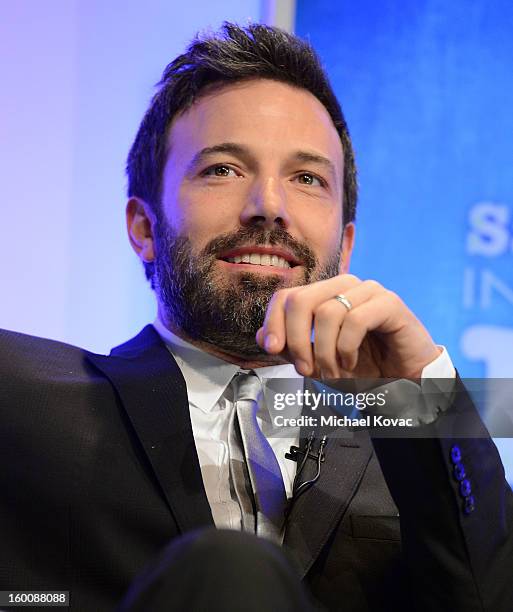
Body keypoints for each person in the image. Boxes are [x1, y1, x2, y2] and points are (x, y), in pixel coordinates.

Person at [0, 22, 512, 612]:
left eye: (307, 179)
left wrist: (419, 394)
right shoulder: (25, 403)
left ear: (344, 247)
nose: (269, 205)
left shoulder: (410, 461)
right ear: (144, 227)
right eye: (222, 169)